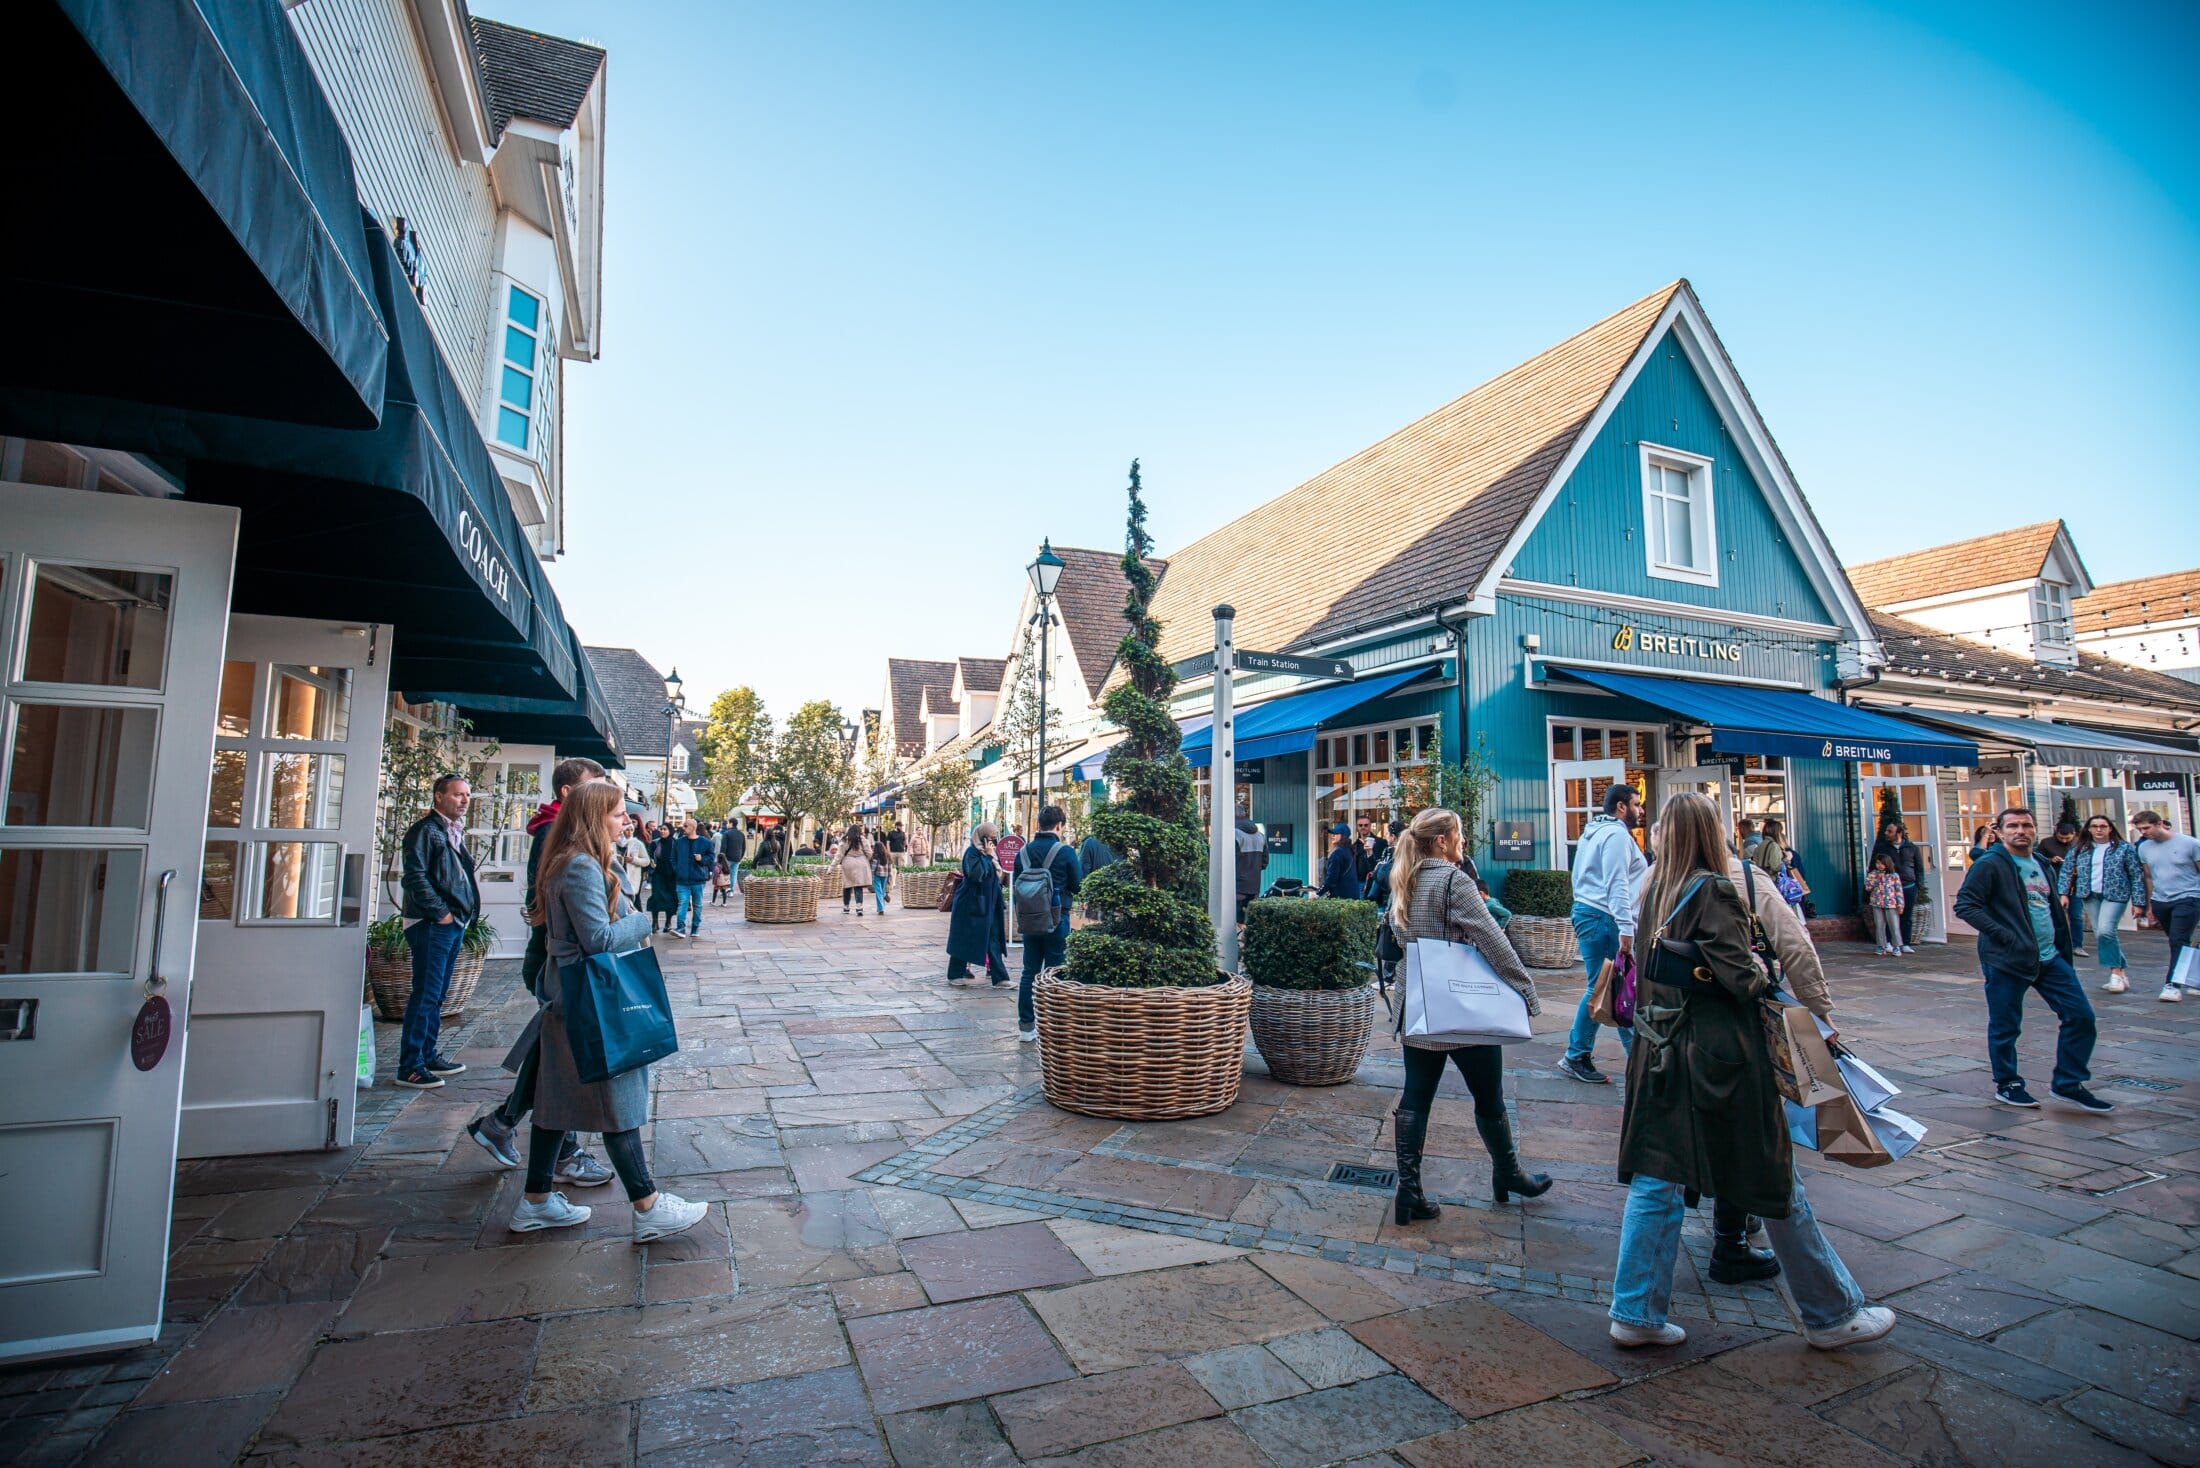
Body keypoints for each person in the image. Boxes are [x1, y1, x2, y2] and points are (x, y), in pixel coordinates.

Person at [1608, 790, 1893, 1351]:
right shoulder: (1715, 887)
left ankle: (1636, 1310)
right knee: (1773, 1175)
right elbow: (1742, 978)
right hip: (1719, 1055)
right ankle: (1831, 1313)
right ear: (1712, 832)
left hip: (1659, 1047)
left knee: (1657, 1177)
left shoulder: (1653, 888)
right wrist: (1767, 973)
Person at [505, 781, 707, 1242]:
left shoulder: (577, 860)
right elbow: (597, 938)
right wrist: (641, 922)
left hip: (571, 996)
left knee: (556, 1102)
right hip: (591, 999)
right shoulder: (579, 866)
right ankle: (647, 1206)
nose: (627, 822)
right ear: (595, 817)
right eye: (618, 814)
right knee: (618, 1100)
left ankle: (536, 1201)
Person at [1386, 806, 1550, 1226]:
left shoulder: (1405, 877)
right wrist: (1526, 991)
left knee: (1415, 1095)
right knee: (1489, 1096)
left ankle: (1409, 1191)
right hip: (1462, 1009)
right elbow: (1493, 941)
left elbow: (1400, 936)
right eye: (1459, 833)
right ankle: (1508, 1173)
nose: (1464, 841)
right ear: (1441, 841)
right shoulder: (1454, 880)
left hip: (1421, 1006)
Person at [466, 758, 616, 1187]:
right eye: (594, 787)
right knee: (563, 1060)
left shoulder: (562, 832)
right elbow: (566, 913)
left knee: (555, 1052)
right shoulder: (559, 835)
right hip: (560, 962)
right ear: (570, 794)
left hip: (557, 958)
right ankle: (557, 1154)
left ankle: (505, 1125)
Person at [1954, 808, 2111, 1111]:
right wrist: (2005, 936)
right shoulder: (1990, 864)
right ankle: (2008, 1084)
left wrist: (2063, 942)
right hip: (2007, 959)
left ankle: (2068, 1083)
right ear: (1999, 832)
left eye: (2026, 825)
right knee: (2006, 1026)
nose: (2020, 831)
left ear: (2035, 830)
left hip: (2049, 957)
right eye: (2012, 826)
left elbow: (2048, 907)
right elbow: (1966, 905)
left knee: (2081, 1016)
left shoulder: (2041, 863)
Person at [395, 773, 480, 1090]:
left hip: (451, 924)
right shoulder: (425, 831)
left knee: (437, 995)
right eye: (458, 794)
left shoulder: (450, 831)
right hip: (431, 925)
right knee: (426, 995)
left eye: (467, 795)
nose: (465, 800)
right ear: (439, 797)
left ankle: (428, 1055)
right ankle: (410, 1066)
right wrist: (441, 913)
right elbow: (414, 877)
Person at [1560, 784, 1647, 1086]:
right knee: (1612, 987)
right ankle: (1585, 1055)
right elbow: (1616, 882)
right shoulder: (1615, 836)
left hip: (1591, 913)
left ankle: (1630, 1058)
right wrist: (1626, 926)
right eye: (1636, 804)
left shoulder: (1594, 831)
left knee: (1608, 986)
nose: (1640, 810)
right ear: (1621, 807)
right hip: (1603, 917)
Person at [1012, 805, 1082, 1043]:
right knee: (1055, 970)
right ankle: (1054, 1026)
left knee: (1029, 971)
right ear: (1059, 825)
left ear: (1038, 825)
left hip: (1029, 920)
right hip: (1057, 918)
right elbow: (1078, 885)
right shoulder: (1065, 852)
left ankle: (1026, 1027)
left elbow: (1017, 886)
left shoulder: (1023, 852)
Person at [2059, 814, 2145, 994]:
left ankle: (2115, 972)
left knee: (2106, 931)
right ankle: (2120, 971)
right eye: (2095, 826)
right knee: (2101, 934)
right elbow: (2067, 870)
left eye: (2103, 826)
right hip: (2090, 895)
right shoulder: (2080, 848)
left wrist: (2138, 902)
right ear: (2089, 829)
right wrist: (2064, 893)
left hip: (2115, 895)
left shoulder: (2123, 848)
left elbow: (2136, 875)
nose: (2099, 829)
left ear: (2110, 828)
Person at [2132, 810, 2200, 1003]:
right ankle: (2195, 977)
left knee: (2178, 940)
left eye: (2146, 828)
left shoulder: (2190, 844)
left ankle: (2172, 985)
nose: (2143, 832)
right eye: (2139, 829)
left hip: (2189, 896)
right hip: (2161, 899)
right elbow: (2148, 876)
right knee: (2179, 941)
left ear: (2159, 823)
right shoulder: (2144, 848)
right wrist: (2150, 904)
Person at [946, 823, 1011, 985]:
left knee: (993, 939)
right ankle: (955, 974)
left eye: (995, 838)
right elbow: (976, 875)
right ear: (982, 837)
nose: (993, 842)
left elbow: (998, 875)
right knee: (964, 938)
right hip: (972, 903)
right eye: (990, 838)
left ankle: (1000, 978)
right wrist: (987, 856)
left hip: (990, 903)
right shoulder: (972, 853)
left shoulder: (992, 853)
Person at [1869, 819, 1925, 952]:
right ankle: (1888, 942)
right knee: (1888, 917)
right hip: (1888, 889)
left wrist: (1918, 886)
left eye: (1890, 831)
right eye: (1886, 831)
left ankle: (1905, 943)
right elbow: (1873, 867)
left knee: (1907, 916)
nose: (1886, 833)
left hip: (1908, 886)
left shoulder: (1912, 848)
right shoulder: (1882, 848)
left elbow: (1919, 868)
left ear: (1899, 833)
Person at [1865, 852, 1906, 956]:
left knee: (1894, 925)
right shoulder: (1873, 874)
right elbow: (1868, 887)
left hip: (1891, 903)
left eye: (1882, 863)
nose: (1879, 865)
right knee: (1879, 925)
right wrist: (1876, 880)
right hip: (1877, 903)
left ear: (1887, 864)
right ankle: (1881, 946)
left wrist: (1900, 904)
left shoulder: (1893, 876)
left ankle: (1896, 946)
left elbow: (1898, 890)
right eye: (1877, 863)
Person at [646, 822, 682, 934]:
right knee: (656, 897)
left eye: (665, 829)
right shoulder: (655, 843)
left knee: (670, 898)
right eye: (661, 829)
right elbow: (650, 856)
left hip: (671, 875)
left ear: (670, 831)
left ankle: (668, 922)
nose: (662, 831)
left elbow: (679, 858)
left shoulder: (676, 843)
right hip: (658, 873)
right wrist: (651, 864)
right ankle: (655, 922)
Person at [1234, 816, 1269, 921]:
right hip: (1254, 885)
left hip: (1237, 886)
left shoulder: (1234, 834)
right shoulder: (1260, 836)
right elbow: (1265, 862)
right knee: (1250, 919)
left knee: (1235, 920)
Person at [836, 824, 873, 916]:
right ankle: (859, 907)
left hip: (848, 864)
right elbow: (869, 853)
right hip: (861, 863)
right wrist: (867, 860)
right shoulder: (863, 839)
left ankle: (846, 907)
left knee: (847, 885)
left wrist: (831, 867)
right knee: (858, 886)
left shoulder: (844, 840)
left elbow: (839, 855)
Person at [1318, 823, 1359, 898]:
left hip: (1340, 898)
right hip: (1352, 897)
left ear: (1343, 836)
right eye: (1332, 833)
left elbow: (1331, 879)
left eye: (1336, 833)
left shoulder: (1337, 853)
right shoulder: (1349, 851)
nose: (1333, 836)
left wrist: (1318, 893)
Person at [1353, 815, 1391, 897]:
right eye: (1360, 825)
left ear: (1370, 826)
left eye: (1366, 825)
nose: (1363, 827)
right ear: (1357, 827)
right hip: (1359, 883)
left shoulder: (1381, 842)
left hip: (1375, 882)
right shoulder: (1355, 845)